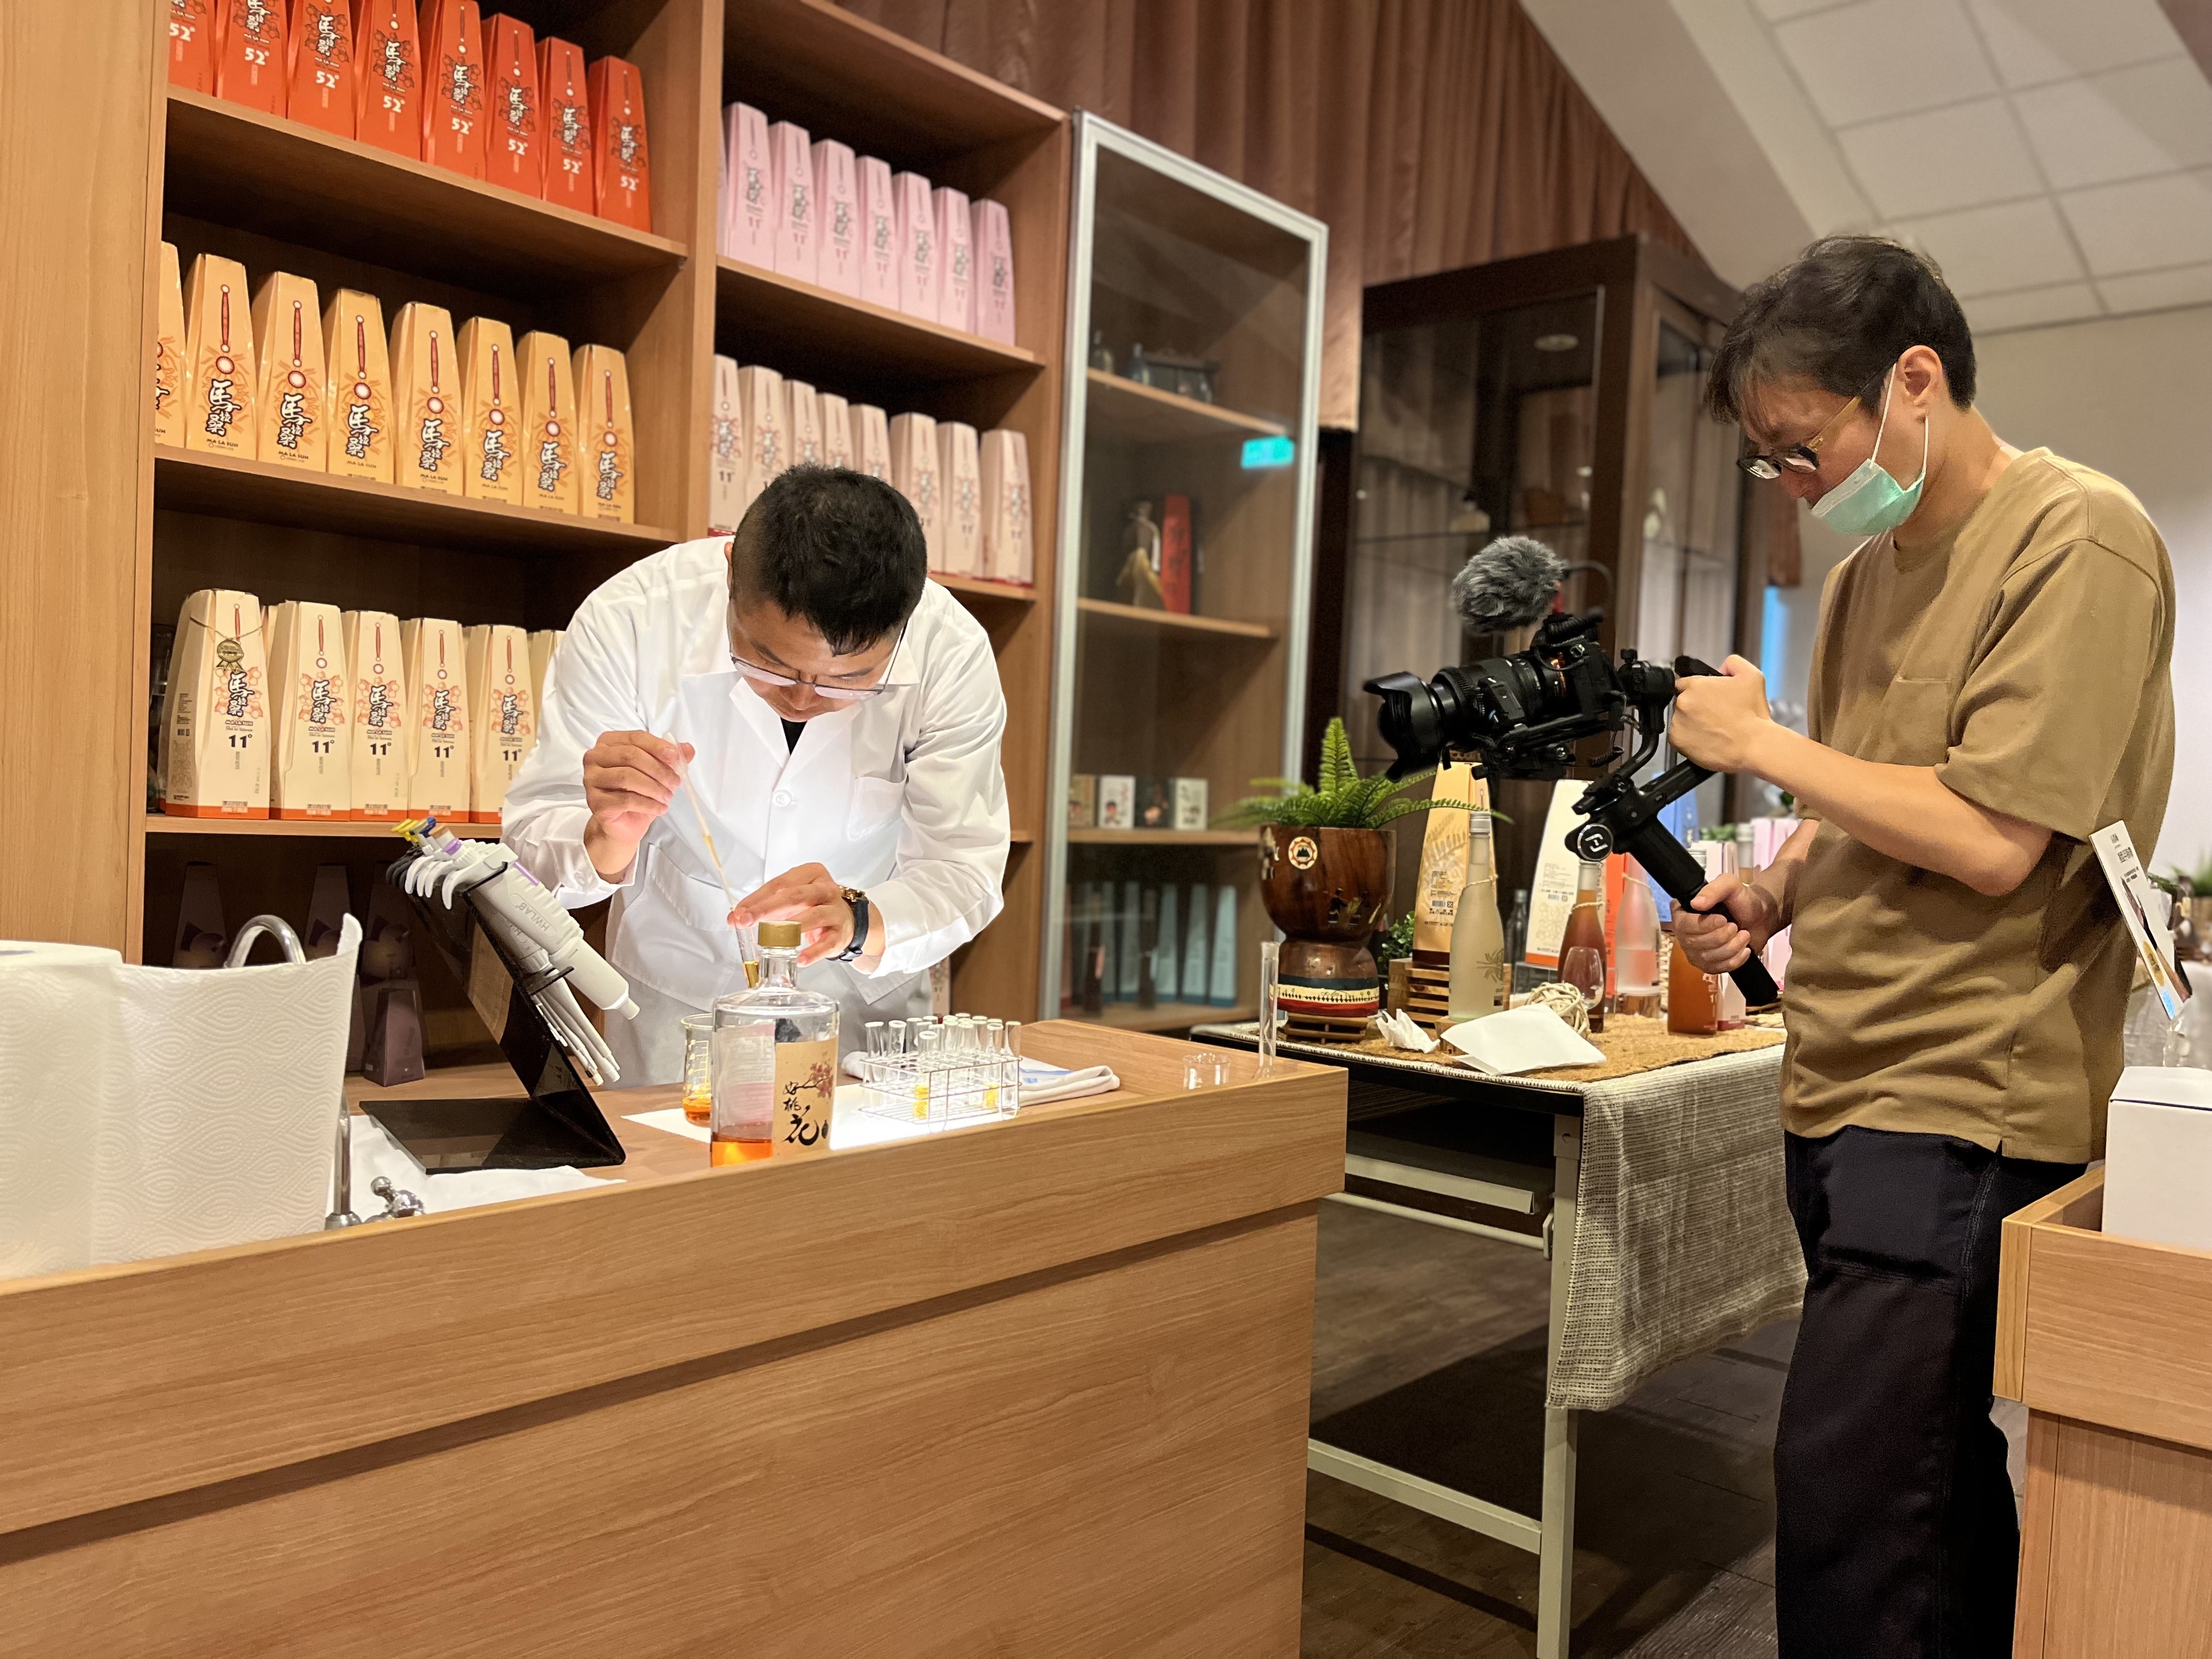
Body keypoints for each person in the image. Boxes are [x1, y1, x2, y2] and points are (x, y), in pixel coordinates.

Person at [1667, 236, 2174, 1658]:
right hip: (1844, 1075)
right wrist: (1775, 892)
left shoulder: (2076, 535)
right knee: (1927, 1500)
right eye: (1770, 460)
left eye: (1803, 447)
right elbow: (1871, 800)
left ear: (1913, 381)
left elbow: (1996, 838)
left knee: (1853, 1511)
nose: (1794, 484)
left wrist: (1761, 745)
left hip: (1966, 1094)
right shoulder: (1862, 581)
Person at [504, 465, 1010, 1081]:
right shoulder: (631, 620)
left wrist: (858, 921)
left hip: (858, 1005)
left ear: (904, 624)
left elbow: (964, 867)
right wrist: (606, 838)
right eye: (769, 664)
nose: (802, 699)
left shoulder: (950, 652)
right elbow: (531, 861)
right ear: (729, 574)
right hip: (680, 997)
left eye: (850, 681)